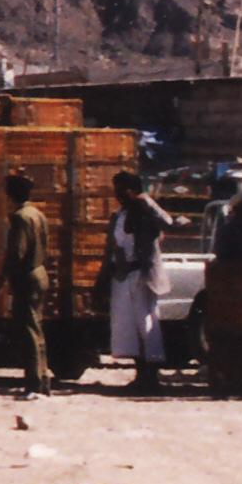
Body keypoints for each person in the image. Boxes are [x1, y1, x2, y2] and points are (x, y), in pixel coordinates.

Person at [100, 170, 171, 396]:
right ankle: (140, 376)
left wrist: (145, 200)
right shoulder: (118, 216)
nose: (118, 194)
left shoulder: (145, 212)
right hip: (122, 277)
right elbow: (110, 248)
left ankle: (152, 378)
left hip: (142, 276)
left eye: (121, 190)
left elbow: (167, 221)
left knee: (146, 325)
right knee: (129, 327)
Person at [0, 172, 53, 396]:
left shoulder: (20, 217)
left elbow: (17, 253)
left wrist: (1, 279)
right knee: (37, 329)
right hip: (39, 273)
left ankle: (33, 383)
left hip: (26, 278)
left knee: (28, 331)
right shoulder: (38, 214)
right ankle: (43, 379)